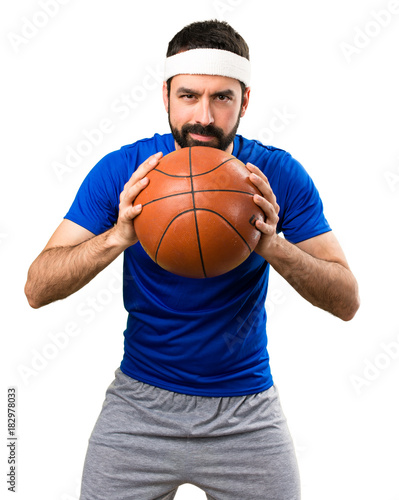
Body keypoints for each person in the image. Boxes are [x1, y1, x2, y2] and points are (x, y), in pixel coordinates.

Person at [25, 19, 359, 500]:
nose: (203, 116)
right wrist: (119, 236)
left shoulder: (278, 175)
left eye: (222, 97)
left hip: (246, 411)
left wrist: (274, 246)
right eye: (188, 96)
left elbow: (346, 300)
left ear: (245, 100)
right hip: (139, 405)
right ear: (165, 96)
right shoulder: (125, 171)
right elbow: (37, 287)